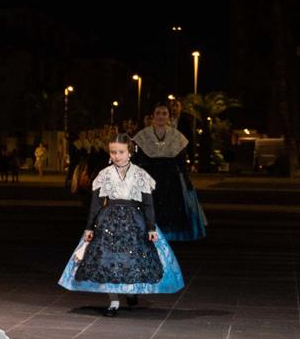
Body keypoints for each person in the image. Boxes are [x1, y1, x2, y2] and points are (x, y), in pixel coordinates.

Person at [59, 136, 185, 313]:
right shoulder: (104, 175)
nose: (117, 156)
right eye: (113, 152)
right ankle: (114, 301)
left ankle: (130, 290)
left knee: (131, 258)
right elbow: (95, 204)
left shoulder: (140, 175)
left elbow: (148, 204)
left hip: (134, 221)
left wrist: (150, 227)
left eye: (121, 152)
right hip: (108, 221)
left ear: (129, 152)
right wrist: (89, 227)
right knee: (108, 260)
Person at [130, 103, 207, 242]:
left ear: (168, 117)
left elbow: (181, 161)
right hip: (150, 175)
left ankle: (169, 236)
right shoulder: (143, 135)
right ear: (153, 116)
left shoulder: (177, 136)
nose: (161, 116)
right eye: (158, 113)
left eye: (164, 113)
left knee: (171, 207)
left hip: (171, 177)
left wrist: (186, 179)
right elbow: (137, 159)